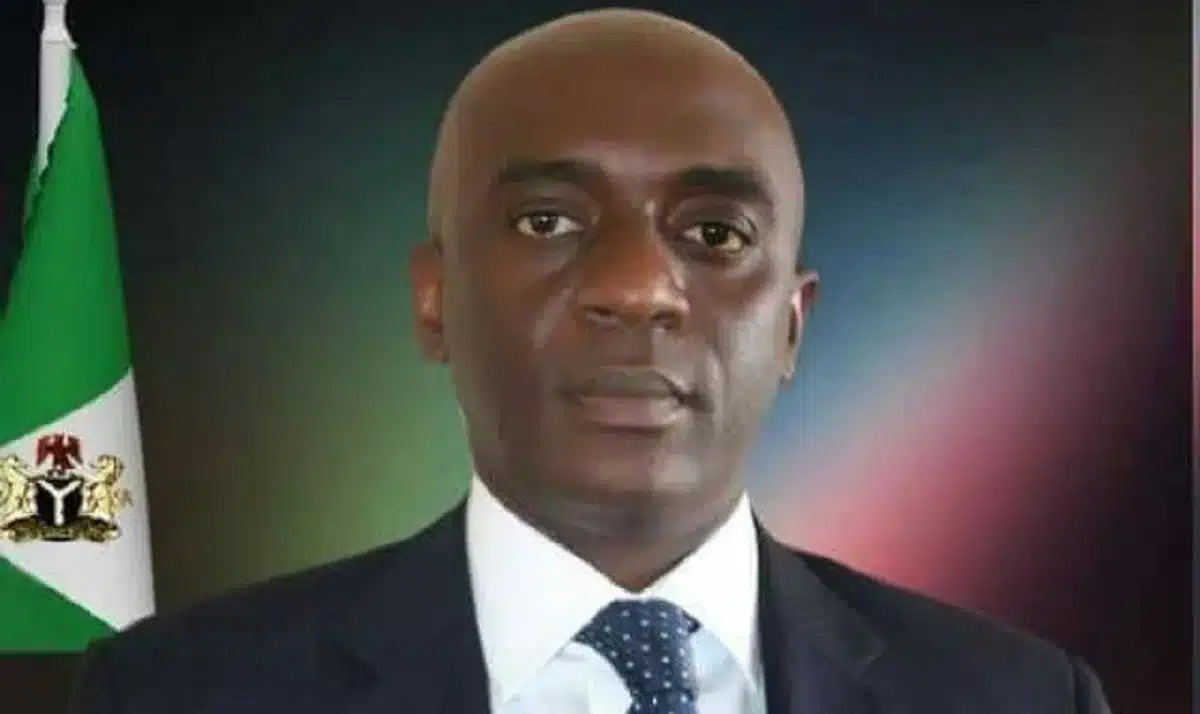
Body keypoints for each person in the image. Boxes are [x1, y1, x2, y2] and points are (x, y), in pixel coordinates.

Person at [66, 9, 1112, 714]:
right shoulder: (178, 694)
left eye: (715, 234)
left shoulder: (1018, 699)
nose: (638, 288)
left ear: (792, 326)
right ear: (434, 300)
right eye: (548, 220)